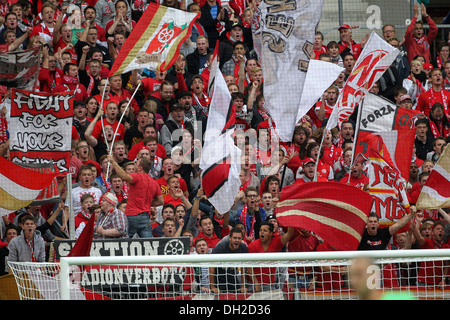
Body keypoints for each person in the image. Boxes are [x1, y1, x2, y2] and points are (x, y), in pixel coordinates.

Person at [107, 154, 164, 238]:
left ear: (140, 168)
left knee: (123, 242)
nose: (134, 164)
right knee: (148, 244)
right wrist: (147, 203)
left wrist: (113, 161)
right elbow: (161, 201)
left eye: (136, 163)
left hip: (131, 216)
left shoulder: (137, 176)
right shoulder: (154, 183)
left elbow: (124, 176)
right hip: (145, 217)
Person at [247, 222, 294, 292]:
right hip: (253, 284)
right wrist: (256, 283)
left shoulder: (277, 242)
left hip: (270, 284)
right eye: (260, 230)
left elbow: (289, 234)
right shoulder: (253, 245)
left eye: (265, 231)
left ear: (271, 233)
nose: (262, 232)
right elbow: (248, 266)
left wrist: (291, 218)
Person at [210, 226, 249, 293]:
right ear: (230, 238)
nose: (237, 240)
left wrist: (243, 286)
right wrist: (213, 287)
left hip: (233, 278)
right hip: (219, 279)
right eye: (235, 238)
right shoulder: (220, 248)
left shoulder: (243, 248)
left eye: (239, 238)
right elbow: (211, 267)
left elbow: (244, 268)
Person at [412, 220, 449, 287]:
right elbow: (418, 237)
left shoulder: (446, 247)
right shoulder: (427, 242)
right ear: (432, 232)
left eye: (442, 229)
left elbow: (446, 265)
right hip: (423, 282)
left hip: (438, 284)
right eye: (438, 229)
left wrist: (443, 280)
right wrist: (416, 222)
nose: (440, 230)